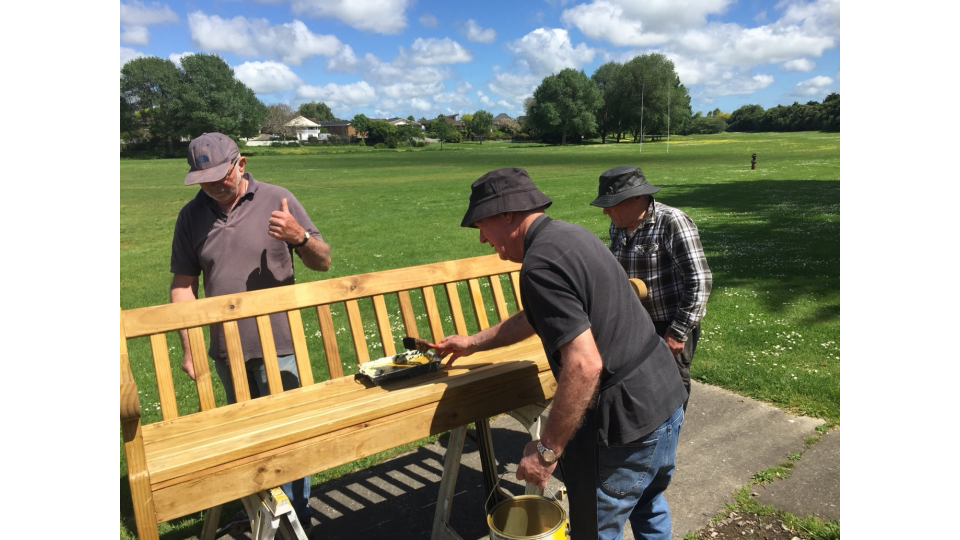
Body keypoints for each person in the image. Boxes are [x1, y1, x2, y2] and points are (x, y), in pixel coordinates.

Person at [436, 168, 686, 540]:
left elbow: (585, 365)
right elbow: (538, 315)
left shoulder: (539, 266)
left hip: (626, 423)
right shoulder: (571, 236)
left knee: (597, 531)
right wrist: (472, 343)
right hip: (666, 398)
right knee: (648, 506)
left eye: (481, 225)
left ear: (507, 214)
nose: (482, 239)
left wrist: (545, 451)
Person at [169, 132, 331, 527]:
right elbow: (183, 285)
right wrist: (190, 347)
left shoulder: (279, 197)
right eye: (202, 179)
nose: (211, 186)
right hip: (227, 349)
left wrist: (300, 237)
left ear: (240, 164)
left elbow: (323, 261)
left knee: (287, 435)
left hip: (278, 343)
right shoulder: (191, 216)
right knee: (245, 437)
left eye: (218, 177)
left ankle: (296, 517)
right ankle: (261, 514)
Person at [590, 165, 712, 410]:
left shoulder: (672, 221)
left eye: (611, 203)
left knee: (671, 384)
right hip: (635, 323)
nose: (605, 211)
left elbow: (700, 280)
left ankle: (669, 437)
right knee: (638, 384)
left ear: (637, 198)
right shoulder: (619, 224)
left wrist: (678, 332)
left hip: (670, 322)